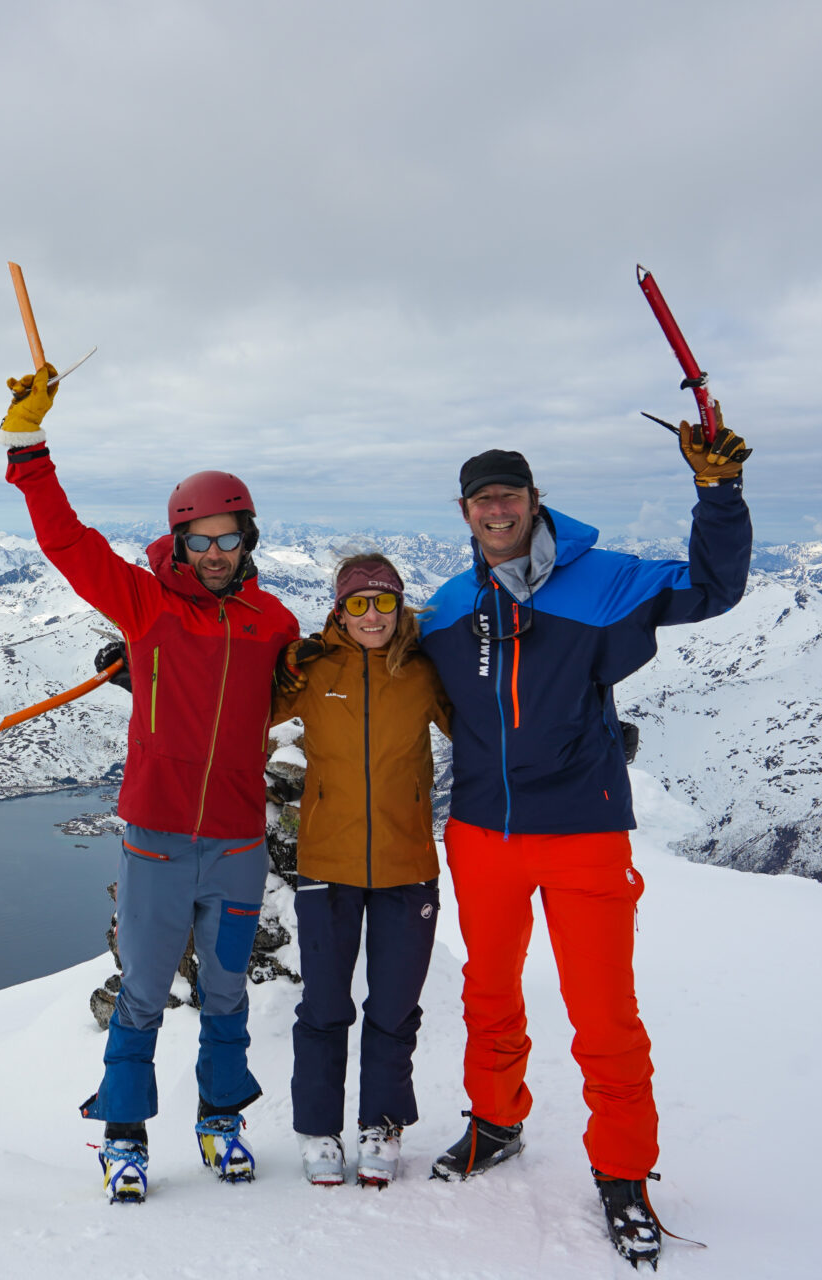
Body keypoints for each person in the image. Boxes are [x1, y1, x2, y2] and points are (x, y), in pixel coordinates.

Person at [415, 411, 752, 1268]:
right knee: (488, 993)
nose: (497, 511)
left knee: (604, 1014)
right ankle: (496, 1122)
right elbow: (370, 668)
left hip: (583, 829)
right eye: (482, 500)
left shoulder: (601, 582)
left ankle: (625, 1176)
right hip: (482, 833)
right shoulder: (452, 608)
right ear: (464, 513)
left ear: (535, 500)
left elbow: (713, 589)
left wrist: (718, 492)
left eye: (510, 496)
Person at [0, 362, 300, 1203]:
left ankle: (221, 1121)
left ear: (249, 539)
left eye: (227, 537)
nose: (212, 553)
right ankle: (124, 1138)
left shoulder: (272, 622)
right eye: (197, 539)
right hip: (158, 842)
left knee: (228, 995)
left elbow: (273, 698)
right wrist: (29, 444)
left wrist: (153, 682)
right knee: (140, 996)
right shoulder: (146, 605)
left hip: (238, 845)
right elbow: (67, 542)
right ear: (177, 542)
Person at [271, 554, 451, 1188]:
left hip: (408, 865)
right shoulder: (313, 670)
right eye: (358, 603)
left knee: (395, 1008)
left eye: (384, 602)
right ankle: (319, 1130)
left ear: (401, 606)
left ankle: (381, 1124)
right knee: (324, 1006)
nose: (372, 615)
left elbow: (492, 727)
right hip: (329, 862)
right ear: (338, 609)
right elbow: (232, 708)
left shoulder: (424, 670)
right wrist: (154, 680)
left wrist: (582, 733)